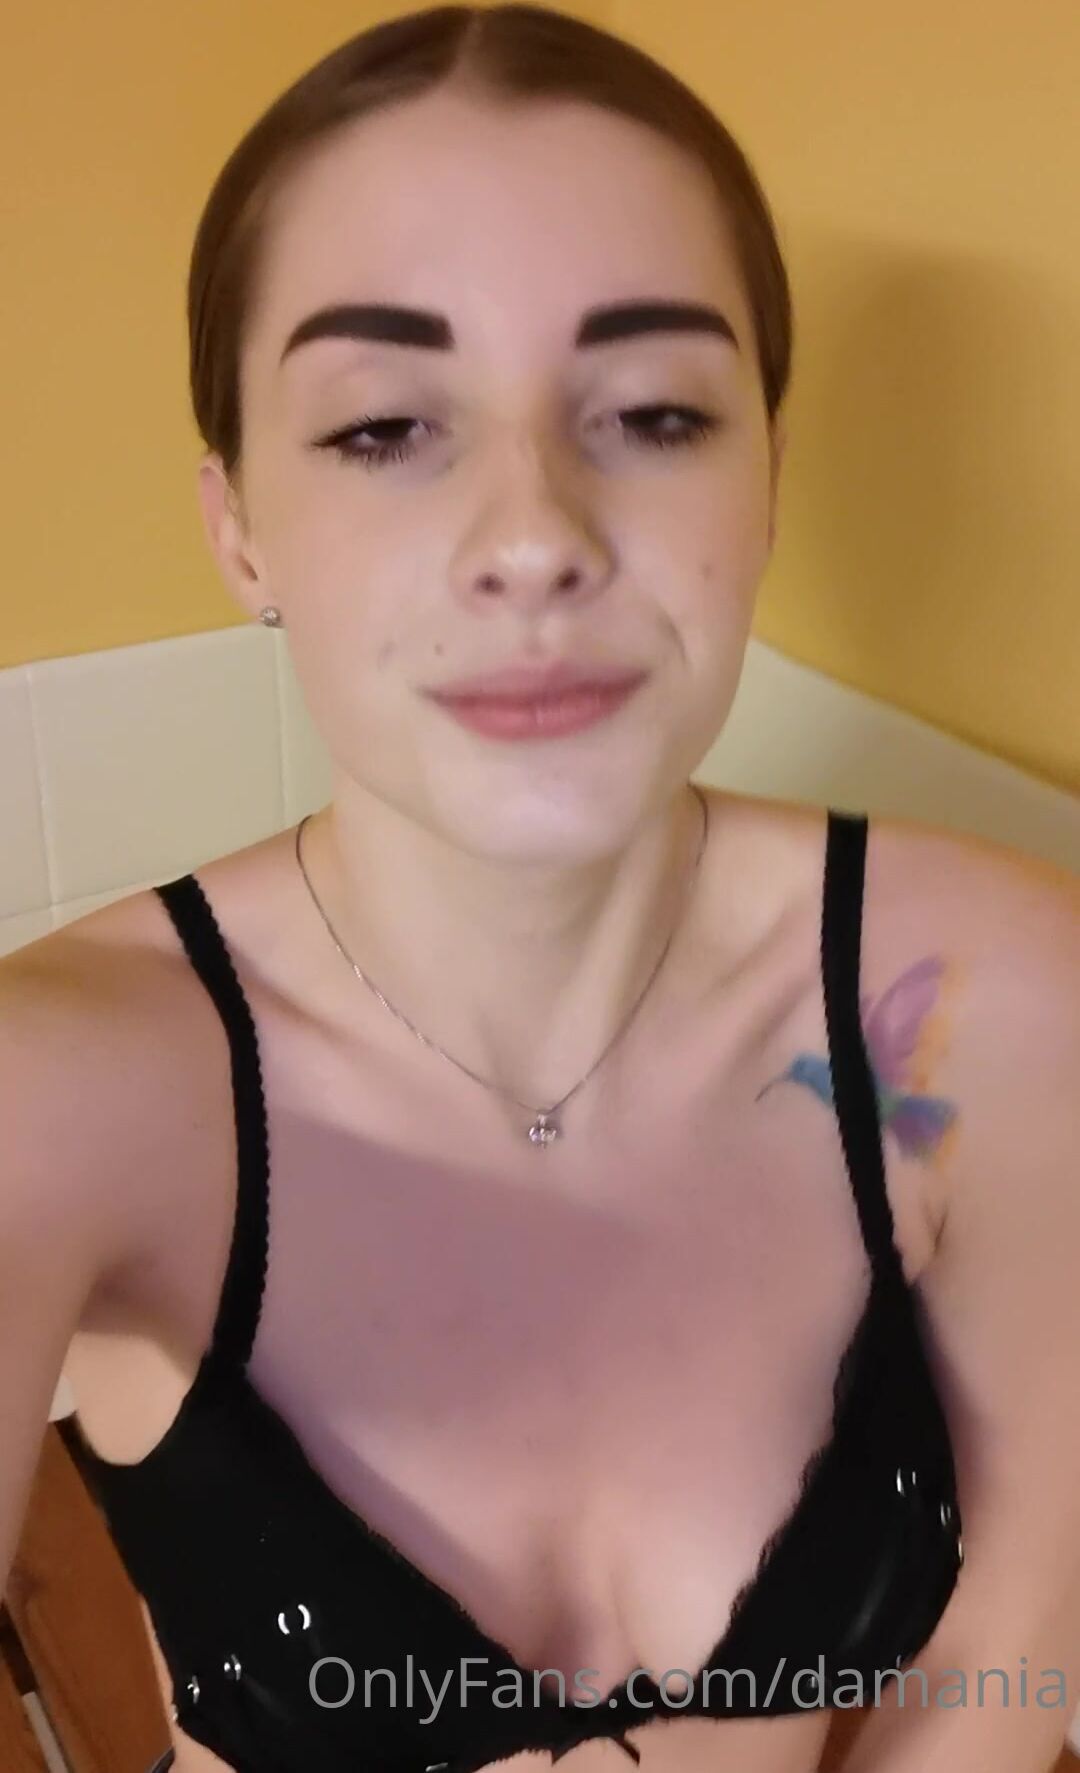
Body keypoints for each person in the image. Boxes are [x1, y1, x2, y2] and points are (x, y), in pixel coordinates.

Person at [2, 6, 1078, 1772]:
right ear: (240, 529)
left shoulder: (1013, 1000)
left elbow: (996, 1688)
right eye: (383, 427)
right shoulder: (53, 1087)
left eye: (655, 413)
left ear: (769, 476)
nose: (533, 537)